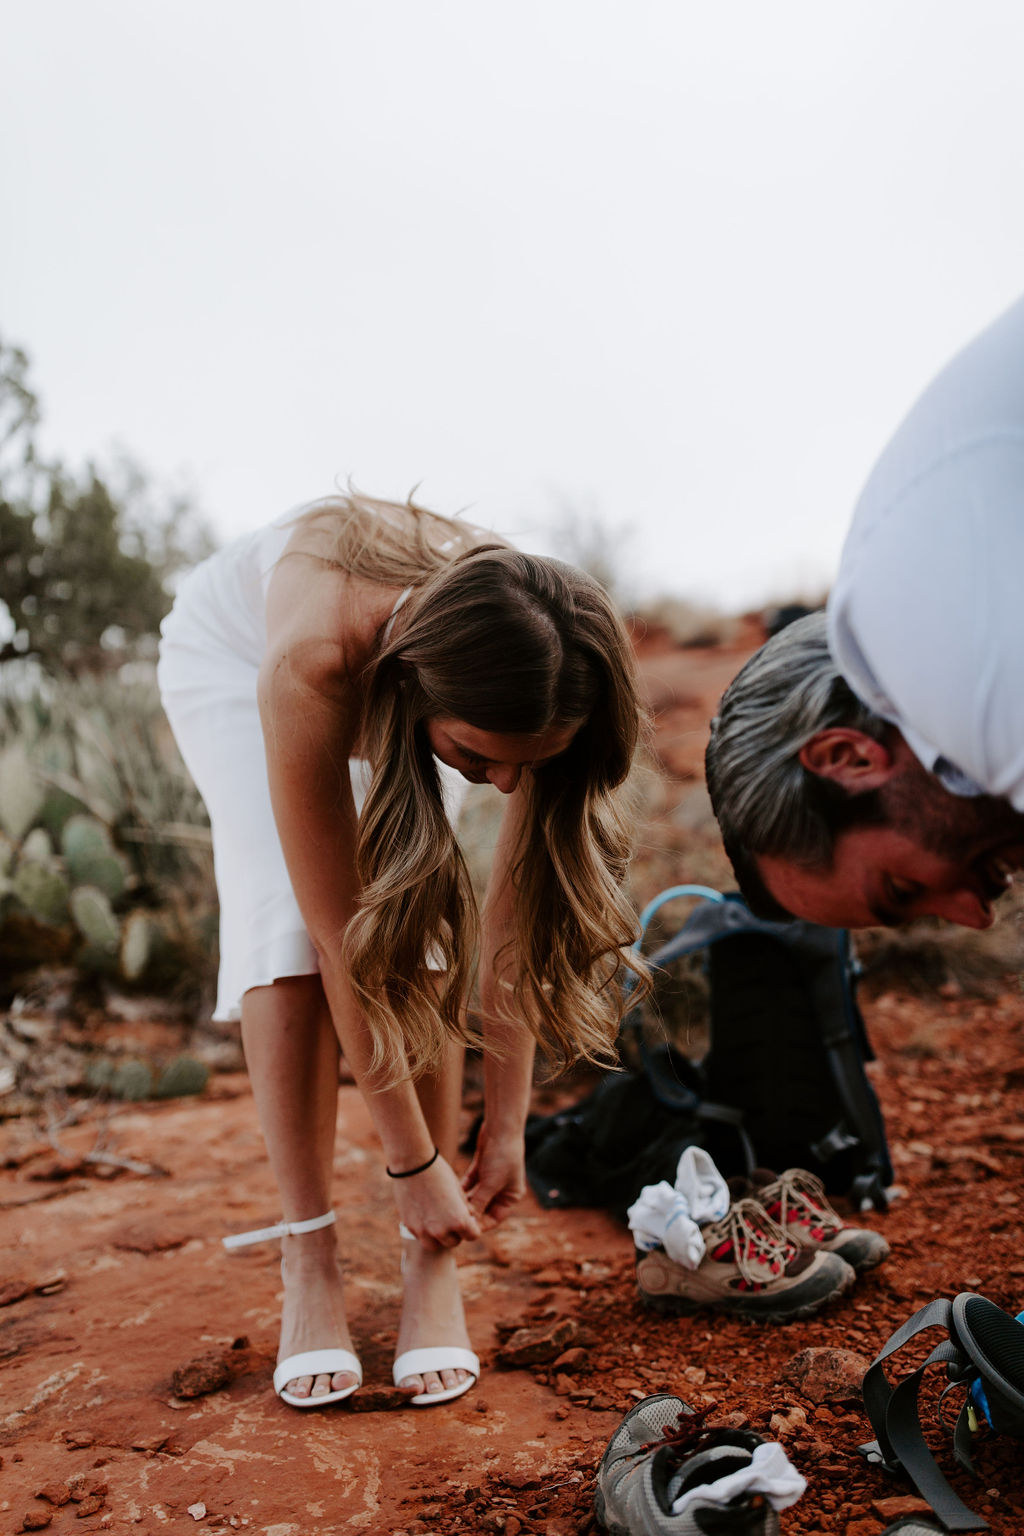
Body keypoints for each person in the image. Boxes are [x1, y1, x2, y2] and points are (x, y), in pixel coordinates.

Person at [157, 490, 647, 1409]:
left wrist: (504, 1130)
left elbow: (513, 927)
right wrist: (415, 1166)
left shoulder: (534, 667)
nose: (504, 785)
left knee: (421, 923)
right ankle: (309, 1253)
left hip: (417, 682)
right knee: (286, 923)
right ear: (422, 694)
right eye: (480, 761)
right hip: (237, 660)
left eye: (525, 767)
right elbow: (346, 944)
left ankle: (432, 1260)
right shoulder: (313, 661)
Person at [706, 294, 1024, 930]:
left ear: (849, 758)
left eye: (901, 888)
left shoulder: (958, 658)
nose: (975, 917)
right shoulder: (919, 589)